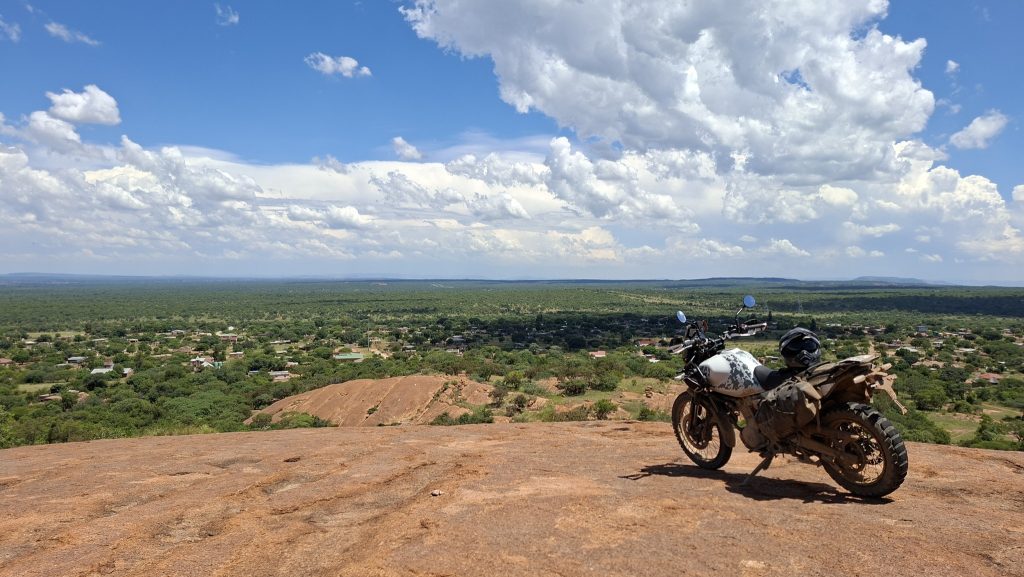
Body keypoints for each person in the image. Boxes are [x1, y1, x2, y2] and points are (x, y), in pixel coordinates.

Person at [753, 327, 821, 390]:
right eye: (795, 347)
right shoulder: (825, 375)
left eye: (808, 346)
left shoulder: (779, 380)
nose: (804, 352)